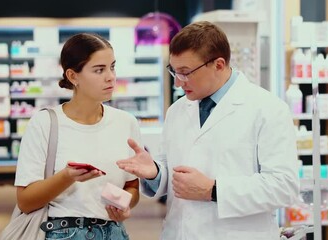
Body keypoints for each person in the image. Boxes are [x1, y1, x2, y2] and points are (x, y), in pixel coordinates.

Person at [117, 21, 299, 240]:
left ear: (219, 65)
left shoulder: (268, 108)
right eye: (174, 72)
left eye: (185, 73)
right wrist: (156, 172)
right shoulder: (177, 110)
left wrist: (213, 190)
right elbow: (175, 174)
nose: (177, 83)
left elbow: (283, 186)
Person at [14, 33, 141, 240]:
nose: (110, 76)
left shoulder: (126, 123)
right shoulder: (45, 123)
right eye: (99, 70)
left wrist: (124, 203)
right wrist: (66, 177)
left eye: (112, 67)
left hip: (115, 233)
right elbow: (25, 201)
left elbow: (131, 186)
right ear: (73, 76)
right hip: (64, 232)